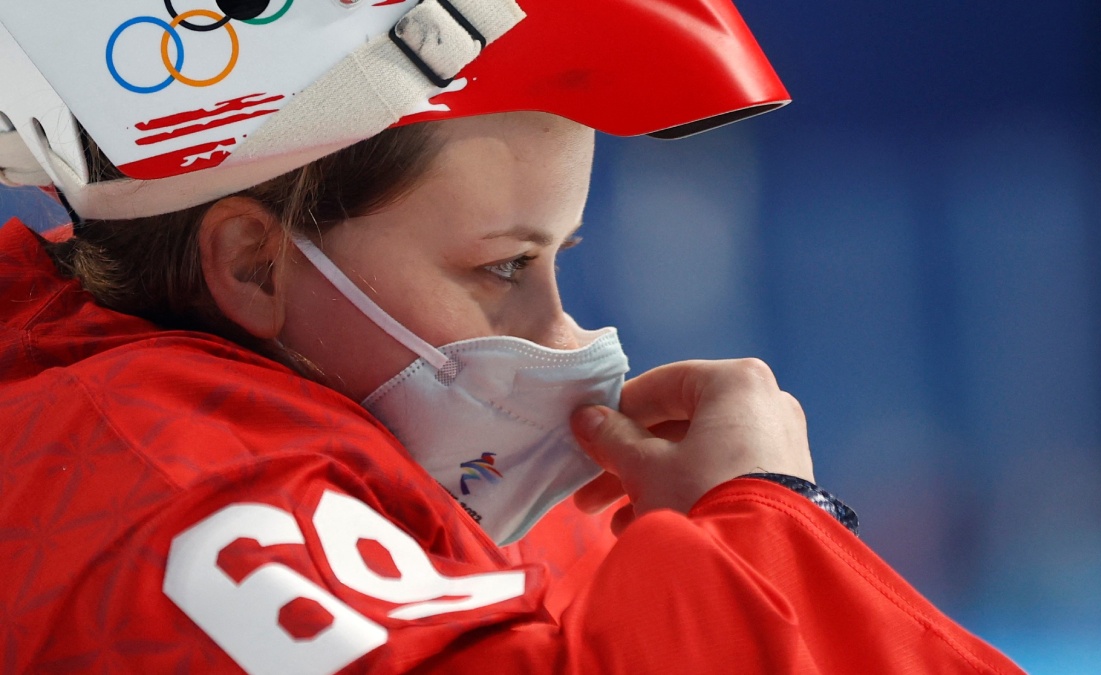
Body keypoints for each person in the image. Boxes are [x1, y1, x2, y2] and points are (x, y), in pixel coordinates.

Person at [0, 1, 1025, 673]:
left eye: (560, 260)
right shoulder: (175, 493)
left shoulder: (444, 491)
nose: (562, 337)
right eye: (502, 267)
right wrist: (768, 528)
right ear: (252, 264)